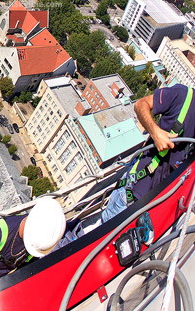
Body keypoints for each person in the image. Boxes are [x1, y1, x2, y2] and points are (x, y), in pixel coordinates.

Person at [58, 84, 194, 247]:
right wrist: (155, 132)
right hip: (133, 194)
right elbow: (140, 105)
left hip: (152, 208)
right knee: (94, 245)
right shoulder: (182, 96)